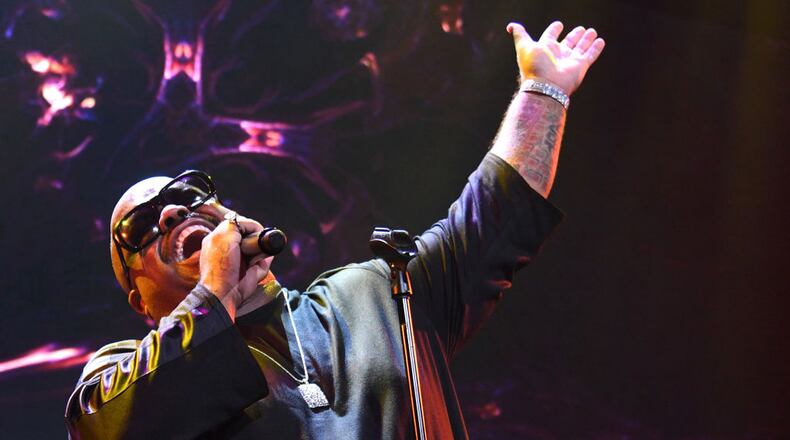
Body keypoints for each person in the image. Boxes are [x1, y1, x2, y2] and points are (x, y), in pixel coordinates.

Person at [65, 21, 605, 439]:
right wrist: (213, 294)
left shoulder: (371, 292)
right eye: (142, 223)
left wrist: (544, 91)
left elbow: (493, 213)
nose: (172, 213)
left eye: (189, 195)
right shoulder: (114, 379)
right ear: (139, 299)